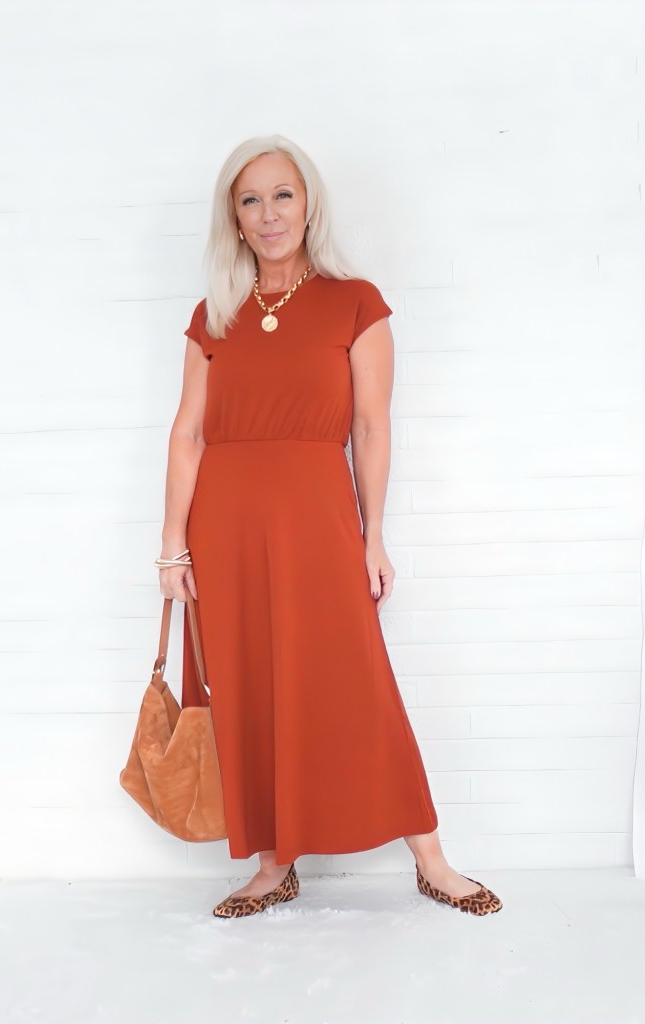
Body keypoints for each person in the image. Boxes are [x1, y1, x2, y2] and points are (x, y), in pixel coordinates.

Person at [158, 134, 502, 919]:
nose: (268, 212)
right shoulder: (214, 315)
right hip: (225, 524)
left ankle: (430, 856)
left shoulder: (354, 301)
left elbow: (372, 429)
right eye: (250, 200)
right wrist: (172, 545)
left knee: (357, 680)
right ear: (234, 221)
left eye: (282, 194)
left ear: (307, 204)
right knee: (247, 682)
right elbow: (186, 434)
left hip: (316, 518)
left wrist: (372, 534)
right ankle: (272, 865)